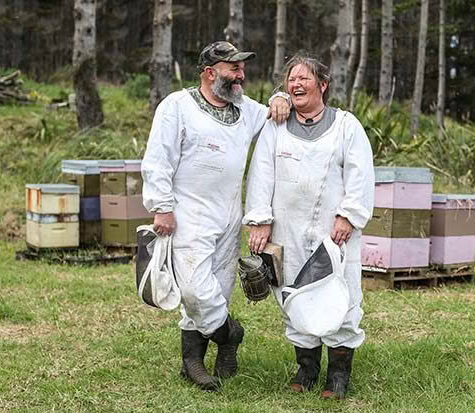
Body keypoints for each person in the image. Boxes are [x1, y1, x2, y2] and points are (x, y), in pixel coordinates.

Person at [141, 41, 290, 392]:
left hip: (227, 215)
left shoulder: (245, 110)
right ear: (210, 73)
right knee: (194, 290)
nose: (240, 75)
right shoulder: (177, 106)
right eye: (232, 68)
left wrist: (280, 96)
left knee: (220, 291)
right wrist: (161, 206)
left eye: (241, 68)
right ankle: (229, 335)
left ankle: (191, 362)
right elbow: (157, 158)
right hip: (187, 214)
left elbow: (273, 109)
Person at [243, 52, 374, 399]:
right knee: (293, 295)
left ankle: (338, 376)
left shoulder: (347, 126)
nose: (296, 83)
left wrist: (349, 215)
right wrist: (259, 221)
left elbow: (361, 176)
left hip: (336, 233)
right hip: (287, 229)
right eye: (291, 79)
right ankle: (307, 368)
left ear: (323, 85)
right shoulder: (276, 127)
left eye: (304, 78)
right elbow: (260, 175)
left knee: (341, 295)